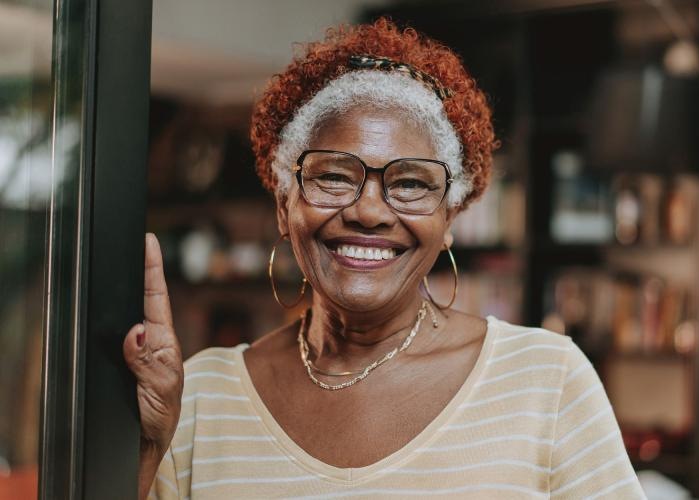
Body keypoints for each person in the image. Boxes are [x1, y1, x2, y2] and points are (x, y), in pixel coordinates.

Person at [124, 18, 646, 499]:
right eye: (332, 176)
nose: (369, 210)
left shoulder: (545, 382)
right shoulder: (200, 398)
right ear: (284, 206)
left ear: (449, 222)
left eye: (412, 183)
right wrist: (144, 450)